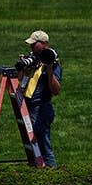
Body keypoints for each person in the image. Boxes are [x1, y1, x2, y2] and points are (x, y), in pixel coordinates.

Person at [18, 30, 61, 167]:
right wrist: (22, 68)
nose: (31, 47)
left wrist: (48, 69)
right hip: (29, 105)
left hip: (41, 107)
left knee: (43, 144)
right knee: (33, 145)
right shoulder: (34, 60)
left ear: (44, 44)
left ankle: (52, 173)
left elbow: (56, 90)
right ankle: (38, 171)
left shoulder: (53, 62)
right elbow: (22, 82)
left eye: (34, 44)